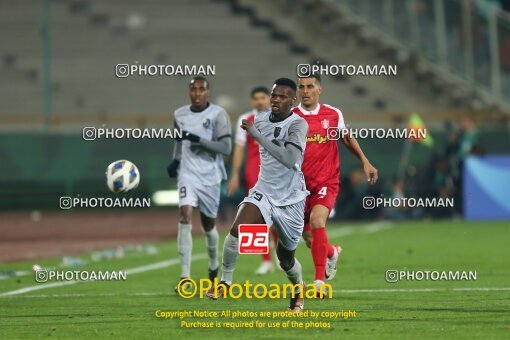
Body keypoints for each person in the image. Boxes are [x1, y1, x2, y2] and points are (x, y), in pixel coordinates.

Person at [207, 78, 309, 312]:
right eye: (274, 95)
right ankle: (226, 281)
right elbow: (241, 146)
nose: (276, 99)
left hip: (291, 200)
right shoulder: (261, 118)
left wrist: (256, 134)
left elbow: (289, 159)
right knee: (237, 230)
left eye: (282, 96)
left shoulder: (298, 125)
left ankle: (298, 289)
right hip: (263, 192)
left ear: (293, 101)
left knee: (285, 259)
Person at [293, 74, 378, 295]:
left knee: (317, 220)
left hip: (326, 181)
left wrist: (365, 161)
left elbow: (347, 138)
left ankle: (319, 281)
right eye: (301, 87)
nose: (305, 90)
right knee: (310, 238)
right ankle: (331, 253)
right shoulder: (291, 117)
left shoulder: (332, 114)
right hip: (299, 186)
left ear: (319, 89)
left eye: (310, 86)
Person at [167, 76, 232, 292]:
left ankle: (213, 265)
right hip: (187, 173)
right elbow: (179, 140)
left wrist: (198, 140)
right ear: (189, 92)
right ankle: (184, 276)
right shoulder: (179, 114)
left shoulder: (217, 114)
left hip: (210, 176)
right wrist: (175, 161)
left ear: (208, 93)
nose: (197, 93)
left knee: (209, 226)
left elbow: (225, 148)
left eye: (201, 89)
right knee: (184, 216)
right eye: (193, 89)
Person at [227, 86, 279, 275]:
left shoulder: (279, 117)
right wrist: (234, 174)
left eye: (262, 97)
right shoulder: (246, 120)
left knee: (276, 216)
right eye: (256, 98)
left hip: (275, 173)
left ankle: (281, 256)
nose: (259, 101)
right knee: (257, 218)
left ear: (270, 98)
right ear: (251, 101)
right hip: (253, 174)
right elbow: (239, 148)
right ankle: (266, 261)